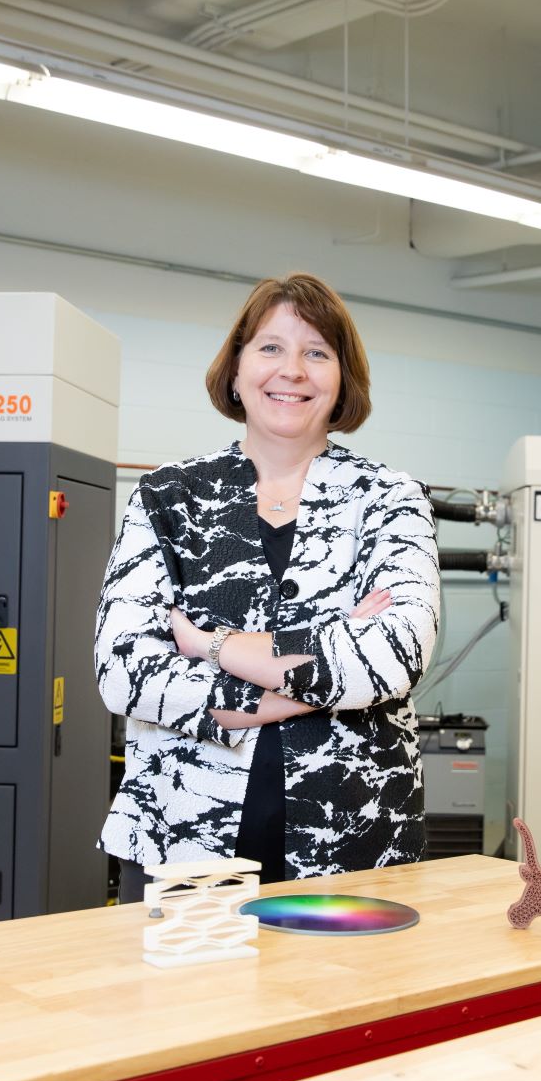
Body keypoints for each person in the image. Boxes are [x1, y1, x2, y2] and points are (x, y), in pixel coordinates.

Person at [95, 273, 440, 900]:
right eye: (271, 347)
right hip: (182, 836)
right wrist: (332, 666)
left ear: (343, 381)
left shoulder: (389, 498)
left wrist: (210, 646)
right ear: (235, 369)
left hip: (356, 839)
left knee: (354, 999)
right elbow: (124, 672)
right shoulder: (169, 497)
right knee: (186, 1001)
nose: (294, 371)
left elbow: (393, 656)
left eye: (317, 353)